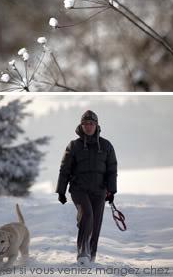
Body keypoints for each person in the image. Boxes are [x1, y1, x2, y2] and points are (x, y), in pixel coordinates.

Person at [56, 110, 117, 265]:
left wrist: (111, 190)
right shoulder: (73, 146)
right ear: (81, 126)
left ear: (96, 125)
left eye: (91, 123)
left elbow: (112, 169)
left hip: (99, 190)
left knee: (96, 222)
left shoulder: (106, 145)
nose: (88, 126)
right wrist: (61, 191)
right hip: (79, 189)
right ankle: (83, 252)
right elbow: (64, 170)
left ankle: (92, 254)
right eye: (85, 124)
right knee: (88, 215)